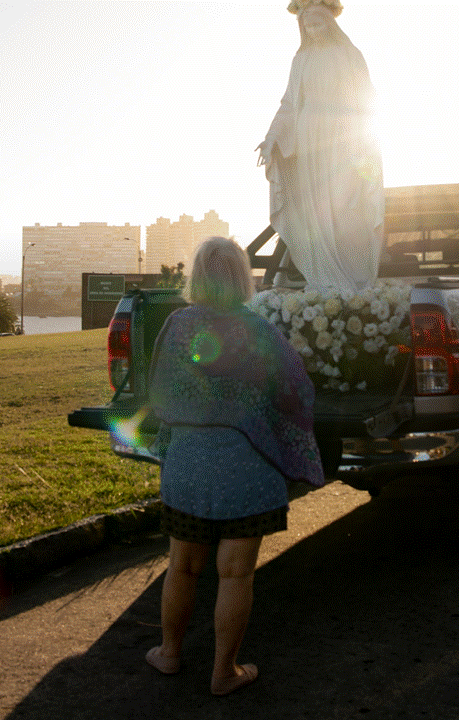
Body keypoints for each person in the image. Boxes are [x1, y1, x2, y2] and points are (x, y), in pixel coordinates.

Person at [143, 236, 324, 696]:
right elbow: (297, 392)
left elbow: (159, 392)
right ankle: (224, 671)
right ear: (242, 278)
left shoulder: (178, 326)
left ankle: (169, 653)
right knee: (236, 574)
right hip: (249, 468)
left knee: (182, 566)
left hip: (187, 466)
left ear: (198, 277)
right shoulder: (260, 331)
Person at [257, 0, 384, 291]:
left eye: (318, 24)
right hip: (308, 142)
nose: (313, 31)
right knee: (315, 209)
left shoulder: (349, 55)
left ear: (331, 23)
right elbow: (289, 104)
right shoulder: (301, 60)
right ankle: (325, 280)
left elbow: (366, 99)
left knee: (345, 207)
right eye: (307, 26)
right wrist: (272, 136)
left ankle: (351, 277)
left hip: (341, 140)